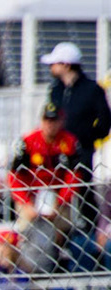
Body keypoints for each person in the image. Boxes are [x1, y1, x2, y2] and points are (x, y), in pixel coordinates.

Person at [43, 41, 109, 254]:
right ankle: (59, 233)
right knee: (57, 188)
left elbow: (104, 121)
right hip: (58, 151)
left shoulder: (91, 90)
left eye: (55, 63)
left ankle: (89, 236)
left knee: (82, 189)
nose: (52, 68)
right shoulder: (56, 90)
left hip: (81, 151)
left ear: (66, 64)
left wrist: (86, 138)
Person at [8, 105, 83, 274]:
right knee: (25, 226)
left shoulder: (69, 142)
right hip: (31, 195)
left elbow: (74, 176)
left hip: (57, 196)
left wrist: (61, 201)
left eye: (54, 121)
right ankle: (28, 265)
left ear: (61, 121)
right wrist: (26, 202)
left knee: (63, 225)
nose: (50, 125)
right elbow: (14, 177)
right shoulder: (27, 142)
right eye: (47, 120)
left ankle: (58, 255)